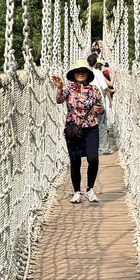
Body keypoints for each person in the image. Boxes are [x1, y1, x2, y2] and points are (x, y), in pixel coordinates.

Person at [52, 59, 105, 203]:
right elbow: (59, 100)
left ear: (87, 74)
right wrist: (59, 88)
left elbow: (101, 110)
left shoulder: (94, 90)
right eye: (78, 71)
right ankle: (76, 192)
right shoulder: (68, 89)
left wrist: (100, 110)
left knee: (93, 158)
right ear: (74, 74)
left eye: (83, 71)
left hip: (91, 128)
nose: (81, 73)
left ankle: (90, 190)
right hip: (73, 130)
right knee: (75, 161)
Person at [85, 53, 114, 155]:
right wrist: (111, 91)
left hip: (88, 104)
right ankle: (104, 148)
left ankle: (90, 147)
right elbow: (105, 87)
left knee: (90, 126)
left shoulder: (86, 74)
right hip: (98, 103)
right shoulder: (98, 73)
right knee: (102, 126)